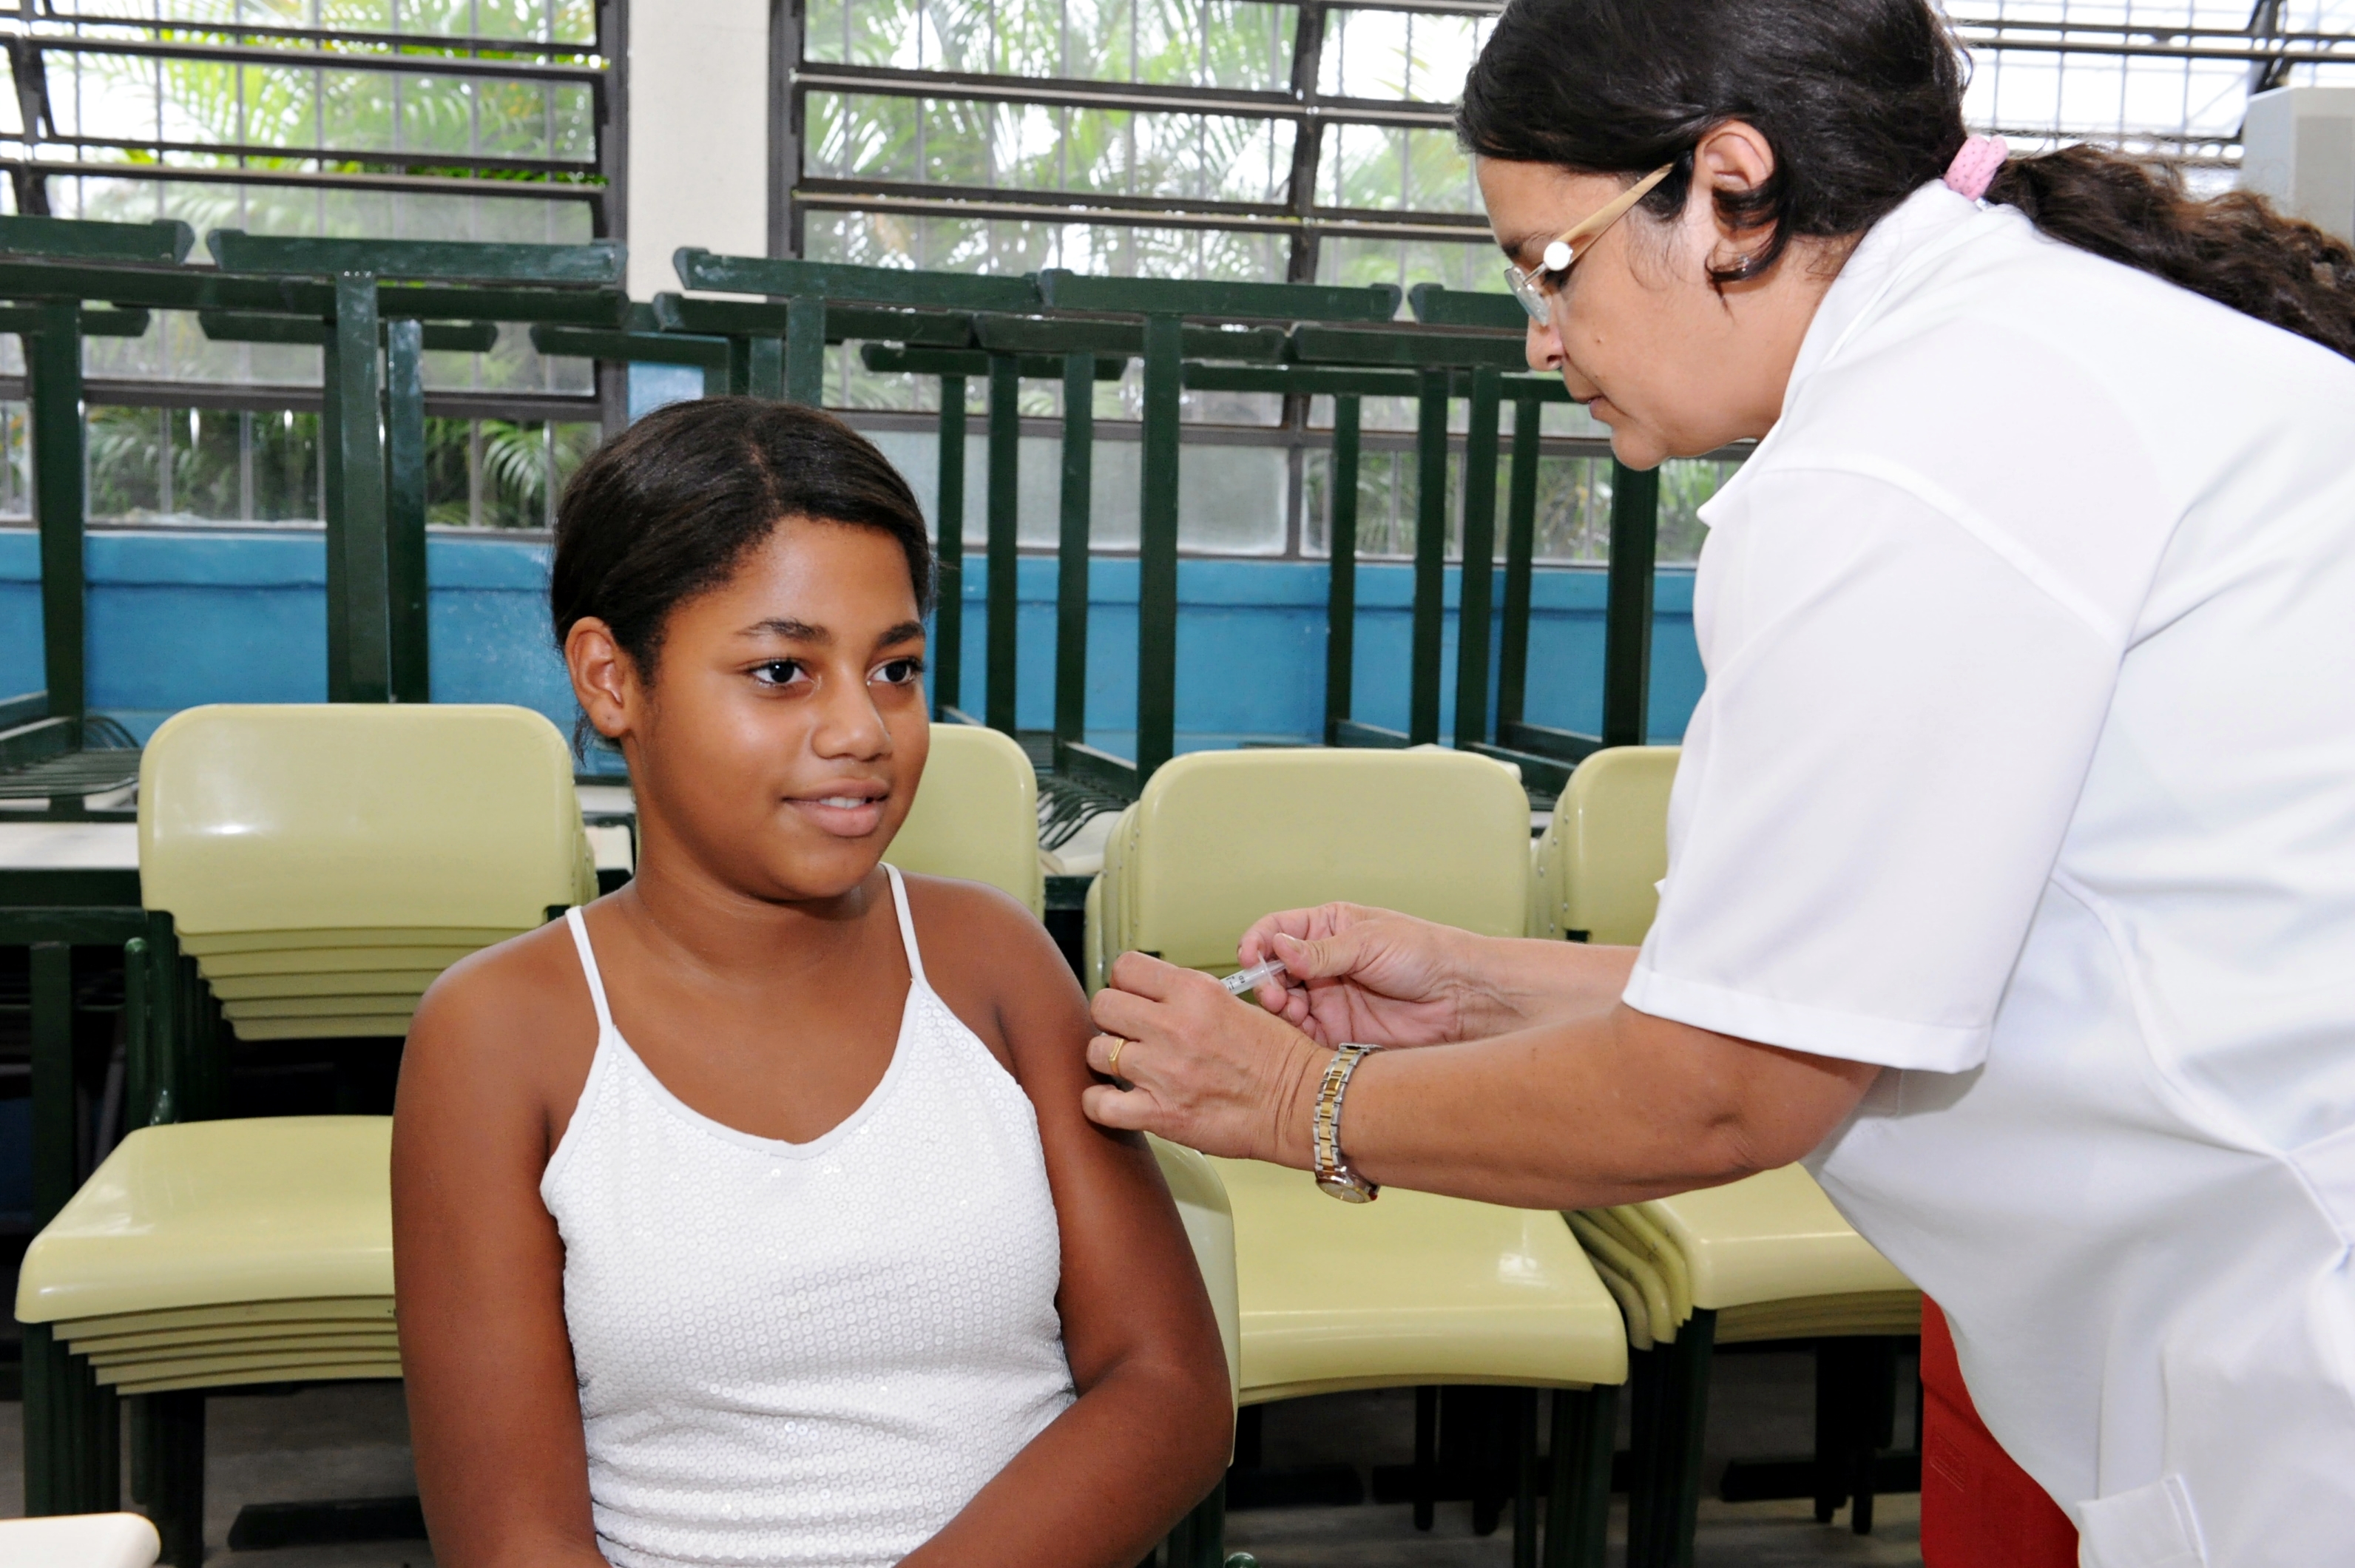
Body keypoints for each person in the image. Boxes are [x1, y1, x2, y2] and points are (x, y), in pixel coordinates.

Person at [1080, 1, 2355, 1563]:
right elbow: (1867, 988)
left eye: (1549, 264)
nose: (1538, 338)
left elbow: (1726, 1086)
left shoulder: (1895, 459)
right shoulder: (2035, 354)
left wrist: (1293, 1100)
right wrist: (1478, 982)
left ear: (1729, 189)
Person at [391, 398, 1230, 1568]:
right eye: (783, 670)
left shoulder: (990, 966)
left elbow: (1170, 1385)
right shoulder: (500, 1036)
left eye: (895, 669)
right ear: (610, 679)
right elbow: (512, 1539)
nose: (863, 729)